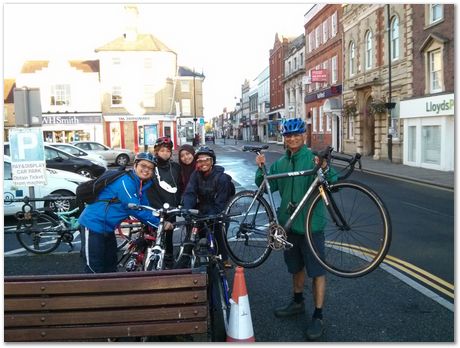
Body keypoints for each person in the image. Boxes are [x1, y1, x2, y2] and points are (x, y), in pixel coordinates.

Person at [254, 118, 336, 340]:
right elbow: (267, 185)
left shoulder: (313, 159)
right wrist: (261, 168)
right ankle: (298, 302)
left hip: (312, 226)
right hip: (288, 225)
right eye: (289, 136)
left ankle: (318, 315)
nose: (292, 138)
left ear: (303, 136)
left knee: (317, 272)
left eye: (297, 134)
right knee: (295, 268)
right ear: (285, 139)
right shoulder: (280, 163)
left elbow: (333, 182)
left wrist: (326, 169)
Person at [79, 152, 172, 273]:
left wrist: (160, 216)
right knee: (94, 267)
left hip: (107, 228)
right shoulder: (126, 182)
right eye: (143, 166)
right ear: (135, 165)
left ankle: (110, 291)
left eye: (150, 168)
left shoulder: (140, 184)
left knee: (111, 265)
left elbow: (145, 207)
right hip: (92, 225)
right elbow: (133, 208)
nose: (146, 170)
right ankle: (92, 291)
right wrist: (159, 224)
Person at [181, 146, 233, 268]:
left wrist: (212, 215)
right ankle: (188, 258)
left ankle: (224, 259)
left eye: (207, 160)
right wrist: (187, 209)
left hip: (218, 210)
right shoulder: (195, 175)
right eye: (199, 161)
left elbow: (222, 202)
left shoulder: (222, 178)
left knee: (219, 234)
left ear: (212, 161)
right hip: (202, 209)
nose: (203, 163)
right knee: (192, 233)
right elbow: (190, 193)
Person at [145, 136, 182, 269]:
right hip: (154, 207)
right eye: (162, 151)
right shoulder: (151, 167)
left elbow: (180, 185)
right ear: (156, 152)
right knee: (150, 236)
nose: (165, 153)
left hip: (171, 208)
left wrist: (179, 203)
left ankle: (169, 258)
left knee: (169, 236)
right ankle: (147, 260)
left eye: (167, 151)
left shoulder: (176, 167)